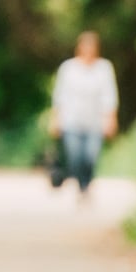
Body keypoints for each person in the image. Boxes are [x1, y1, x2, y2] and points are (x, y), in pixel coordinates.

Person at [49, 31, 119, 195]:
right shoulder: (68, 68)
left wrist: (111, 119)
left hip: (95, 122)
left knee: (91, 157)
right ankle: (82, 186)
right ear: (79, 48)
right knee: (75, 157)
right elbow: (60, 96)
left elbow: (109, 96)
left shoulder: (104, 68)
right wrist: (55, 119)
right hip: (71, 121)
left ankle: (86, 183)